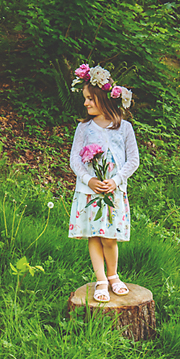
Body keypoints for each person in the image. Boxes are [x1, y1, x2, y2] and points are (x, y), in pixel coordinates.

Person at [67, 64, 139, 302]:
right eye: (85, 99)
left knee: (109, 236)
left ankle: (113, 276)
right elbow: (75, 159)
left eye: (90, 99)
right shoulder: (84, 128)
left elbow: (133, 160)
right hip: (89, 191)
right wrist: (90, 179)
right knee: (94, 235)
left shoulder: (123, 127)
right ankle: (100, 279)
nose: (86, 103)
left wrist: (116, 181)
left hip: (112, 190)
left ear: (102, 99)